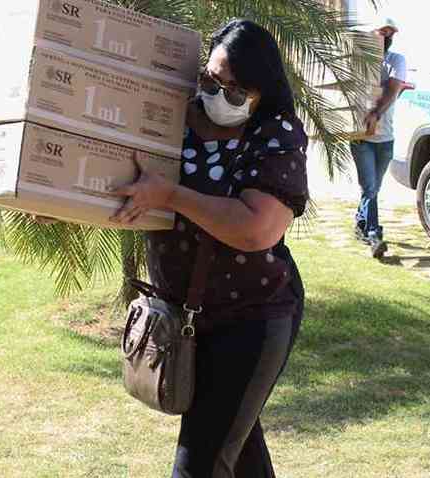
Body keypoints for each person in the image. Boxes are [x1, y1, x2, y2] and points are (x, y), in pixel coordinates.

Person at [110, 19, 308, 477]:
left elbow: (257, 230)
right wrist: (57, 200)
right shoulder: (171, 118)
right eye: (210, 81)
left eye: (236, 92)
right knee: (237, 451)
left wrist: (172, 196)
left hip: (253, 320)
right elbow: (121, 182)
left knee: (201, 461)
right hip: (187, 321)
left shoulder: (276, 134)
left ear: (261, 93)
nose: (219, 96)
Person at [351, 16, 408, 258]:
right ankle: (374, 235)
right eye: (381, 33)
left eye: (389, 34)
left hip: (386, 138)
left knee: (373, 188)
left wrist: (375, 113)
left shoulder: (396, 60)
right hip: (360, 136)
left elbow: (393, 89)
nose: (386, 38)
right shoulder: (356, 60)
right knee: (370, 187)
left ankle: (360, 222)